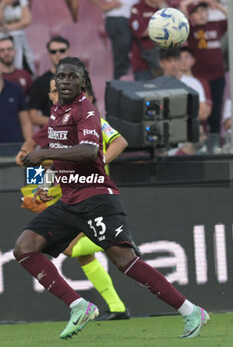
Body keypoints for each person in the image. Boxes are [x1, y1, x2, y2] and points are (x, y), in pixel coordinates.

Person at [14, 56, 209, 340]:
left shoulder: (87, 111)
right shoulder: (56, 112)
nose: (65, 81)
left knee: (124, 261)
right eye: (61, 77)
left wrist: (43, 154)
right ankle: (79, 305)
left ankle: (190, 310)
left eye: (72, 77)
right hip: (69, 201)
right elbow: (55, 160)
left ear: (83, 82)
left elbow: (90, 152)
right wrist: (42, 188)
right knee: (24, 248)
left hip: (96, 198)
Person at [16, 75, 130, 320]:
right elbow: (40, 154)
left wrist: (101, 160)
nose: (58, 95)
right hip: (72, 200)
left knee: (70, 249)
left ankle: (124, 249)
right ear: (49, 96)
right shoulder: (55, 127)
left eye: (60, 90)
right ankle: (118, 307)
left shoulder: (91, 120)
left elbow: (120, 142)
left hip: (96, 198)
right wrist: (35, 189)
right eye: (53, 92)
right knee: (87, 255)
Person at [180, 0, 228, 134]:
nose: (201, 14)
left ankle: (214, 143)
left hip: (218, 76)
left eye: (203, 11)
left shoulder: (216, 25)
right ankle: (198, 141)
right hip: (200, 77)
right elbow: (183, 5)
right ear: (190, 16)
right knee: (199, 111)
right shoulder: (189, 29)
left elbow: (230, 18)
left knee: (216, 112)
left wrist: (216, 5)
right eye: (196, 12)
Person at [28, 36, 70, 127]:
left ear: (68, 51)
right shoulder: (39, 82)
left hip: (77, 135)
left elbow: (92, 106)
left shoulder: (80, 79)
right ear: (48, 54)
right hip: (50, 135)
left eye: (62, 50)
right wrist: (59, 122)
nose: (58, 54)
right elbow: (33, 116)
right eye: (53, 51)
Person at [129, 0, 169, 81]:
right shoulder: (138, 8)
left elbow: (175, 26)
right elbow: (141, 31)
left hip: (164, 63)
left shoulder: (164, 8)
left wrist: (163, 8)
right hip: (143, 64)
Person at [0, 56, 31, 143]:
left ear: (2, 66)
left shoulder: (16, 90)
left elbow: (25, 122)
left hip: (14, 148)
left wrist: (29, 147)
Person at [0, 0, 35, 74]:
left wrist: (8, 28)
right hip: (2, 39)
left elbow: (27, 20)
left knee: (23, 63)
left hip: (20, 39)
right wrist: (3, 5)